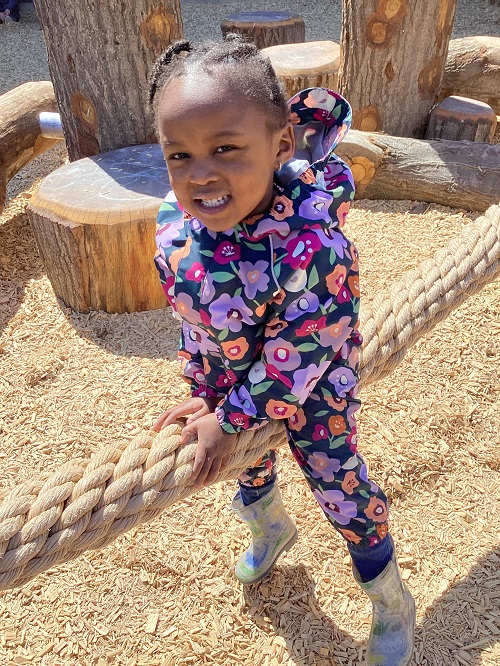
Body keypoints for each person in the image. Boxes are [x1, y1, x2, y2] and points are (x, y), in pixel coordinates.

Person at [150, 36, 415, 665]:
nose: (201, 174)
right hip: (230, 383)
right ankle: (269, 523)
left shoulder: (311, 245)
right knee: (243, 462)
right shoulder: (175, 219)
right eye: (179, 155)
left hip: (311, 387)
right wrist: (205, 388)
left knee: (341, 485)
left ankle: (388, 595)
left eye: (225, 149)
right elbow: (194, 314)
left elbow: (299, 353)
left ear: (280, 146)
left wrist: (232, 413)